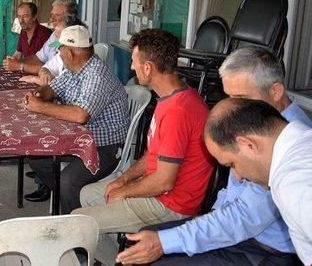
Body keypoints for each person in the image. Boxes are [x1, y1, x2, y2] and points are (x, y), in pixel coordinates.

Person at [117, 46, 310, 265]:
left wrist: (166, 242)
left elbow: (242, 218)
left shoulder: (295, 175)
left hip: (264, 251)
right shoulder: (258, 130)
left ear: (275, 91)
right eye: (228, 97)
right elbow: (230, 193)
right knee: (144, 239)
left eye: (241, 98)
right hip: (236, 233)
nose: (231, 106)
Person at [73, 29, 213, 266]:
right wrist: (124, 179)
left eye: (134, 61)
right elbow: (154, 153)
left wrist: (126, 191)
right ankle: (114, 256)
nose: (131, 67)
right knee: (88, 193)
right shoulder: (171, 96)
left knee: (77, 221)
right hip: (162, 192)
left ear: (148, 67)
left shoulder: (178, 111)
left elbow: (164, 181)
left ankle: (113, 256)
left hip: (173, 204)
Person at [23, 25, 129, 214]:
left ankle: (74, 229)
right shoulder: (75, 70)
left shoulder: (96, 75)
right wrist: (39, 94)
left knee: (68, 181)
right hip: (79, 140)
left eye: (60, 48)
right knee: (37, 156)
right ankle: (69, 202)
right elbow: (53, 88)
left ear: (71, 53)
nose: (58, 52)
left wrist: (41, 107)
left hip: (104, 147)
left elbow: (80, 115)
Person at [204, 98, 312, 265]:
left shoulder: (293, 184)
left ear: (248, 145)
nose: (238, 174)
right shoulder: (303, 138)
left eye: (232, 164)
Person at [4, 0, 77, 74]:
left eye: (57, 15)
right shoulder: (54, 36)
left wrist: (20, 66)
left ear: (70, 17)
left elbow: (55, 70)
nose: (52, 19)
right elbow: (38, 58)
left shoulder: (74, 38)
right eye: (52, 15)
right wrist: (16, 62)